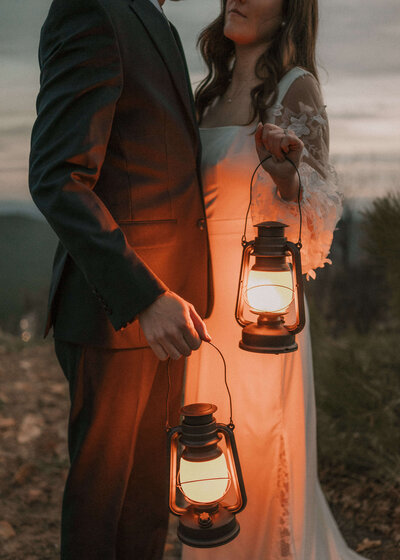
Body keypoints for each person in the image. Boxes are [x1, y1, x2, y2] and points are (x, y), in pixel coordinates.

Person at [28, 0, 213, 558]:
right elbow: (58, 177)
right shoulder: (91, 11)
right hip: (119, 310)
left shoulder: (150, 19)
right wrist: (145, 295)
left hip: (168, 310)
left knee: (146, 509)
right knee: (101, 509)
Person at [183, 1, 367, 559]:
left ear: (289, 10)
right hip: (199, 310)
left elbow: (320, 220)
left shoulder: (296, 88)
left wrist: (288, 178)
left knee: (261, 454)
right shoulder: (206, 96)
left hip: (260, 312)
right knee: (204, 465)